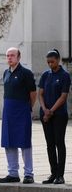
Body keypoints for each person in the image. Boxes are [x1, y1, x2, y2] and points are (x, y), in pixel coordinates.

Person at [0, 47, 36, 184]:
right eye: (8, 56)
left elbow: (33, 94)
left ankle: (28, 173)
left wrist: (28, 108)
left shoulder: (26, 73)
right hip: (8, 112)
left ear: (19, 57)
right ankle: (13, 173)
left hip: (22, 111)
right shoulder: (6, 73)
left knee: (24, 142)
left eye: (12, 55)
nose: (9, 58)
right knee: (9, 142)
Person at [39, 49, 71, 184]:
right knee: (49, 144)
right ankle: (53, 173)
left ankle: (60, 175)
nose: (50, 64)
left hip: (58, 114)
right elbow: (40, 93)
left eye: (52, 62)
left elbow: (63, 97)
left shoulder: (65, 75)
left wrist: (51, 111)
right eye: (48, 62)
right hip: (46, 114)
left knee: (59, 143)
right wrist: (44, 109)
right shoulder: (45, 75)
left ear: (58, 60)